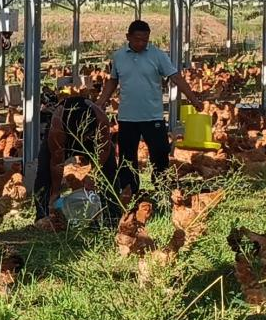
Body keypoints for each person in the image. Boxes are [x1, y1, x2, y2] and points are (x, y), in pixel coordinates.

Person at [95, 20, 205, 199]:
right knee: (126, 157)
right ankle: (129, 191)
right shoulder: (119, 56)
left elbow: (175, 77)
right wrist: (100, 102)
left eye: (145, 40)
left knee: (160, 153)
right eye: (137, 39)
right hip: (127, 116)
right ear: (128, 37)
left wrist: (193, 99)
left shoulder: (158, 55)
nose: (141, 43)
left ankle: (161, 189)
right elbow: (113, 81)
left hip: (152, 115)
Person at [34, 95, 117, 222]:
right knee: (44, 170)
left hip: (94, 141)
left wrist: (93, 174)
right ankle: (44, 216)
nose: (82, 140)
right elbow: (56, 163)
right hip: (63, 137)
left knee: (109, 169)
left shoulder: (101, 119)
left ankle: (111, 215)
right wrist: (55, 191)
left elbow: (104, 150)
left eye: (86, 135)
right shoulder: (57, 125)